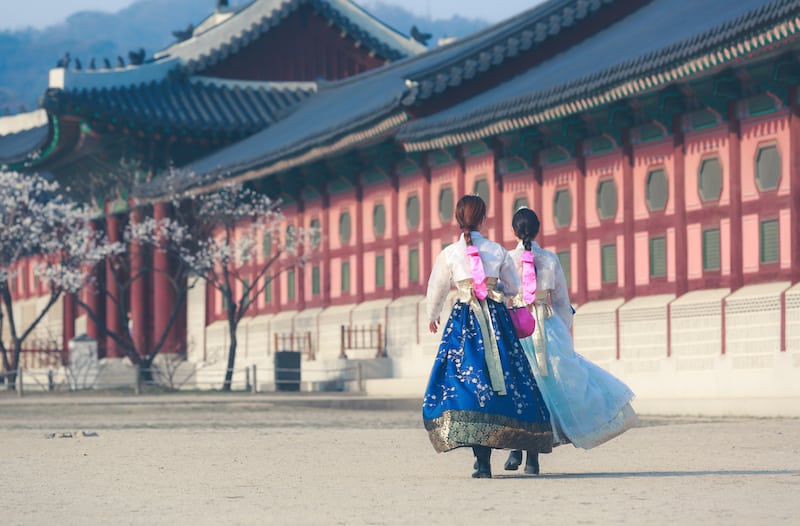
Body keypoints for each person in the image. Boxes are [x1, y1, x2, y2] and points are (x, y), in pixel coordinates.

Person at [422, 195, 553, 478]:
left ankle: (482, 462)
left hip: (464, 325)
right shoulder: (496, 251)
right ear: (483, 219)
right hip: (497, 323)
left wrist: (432, 315)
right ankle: (530, 453)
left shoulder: (448, 254)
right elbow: (513, 286)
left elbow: (437, 288)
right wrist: (497, 292)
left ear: (458, 219)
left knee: (470, 384)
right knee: (513, 381)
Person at [503, 207, 638, 472]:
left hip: (517, 327)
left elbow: (500, 294)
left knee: (519, 389)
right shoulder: (551, 260)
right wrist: (561, 334)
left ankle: (517, 448)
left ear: (513, 232)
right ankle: (532, 458)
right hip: (547, 328)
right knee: (547, 391)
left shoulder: (506, 260)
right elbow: (563, 303)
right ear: (538, 229)